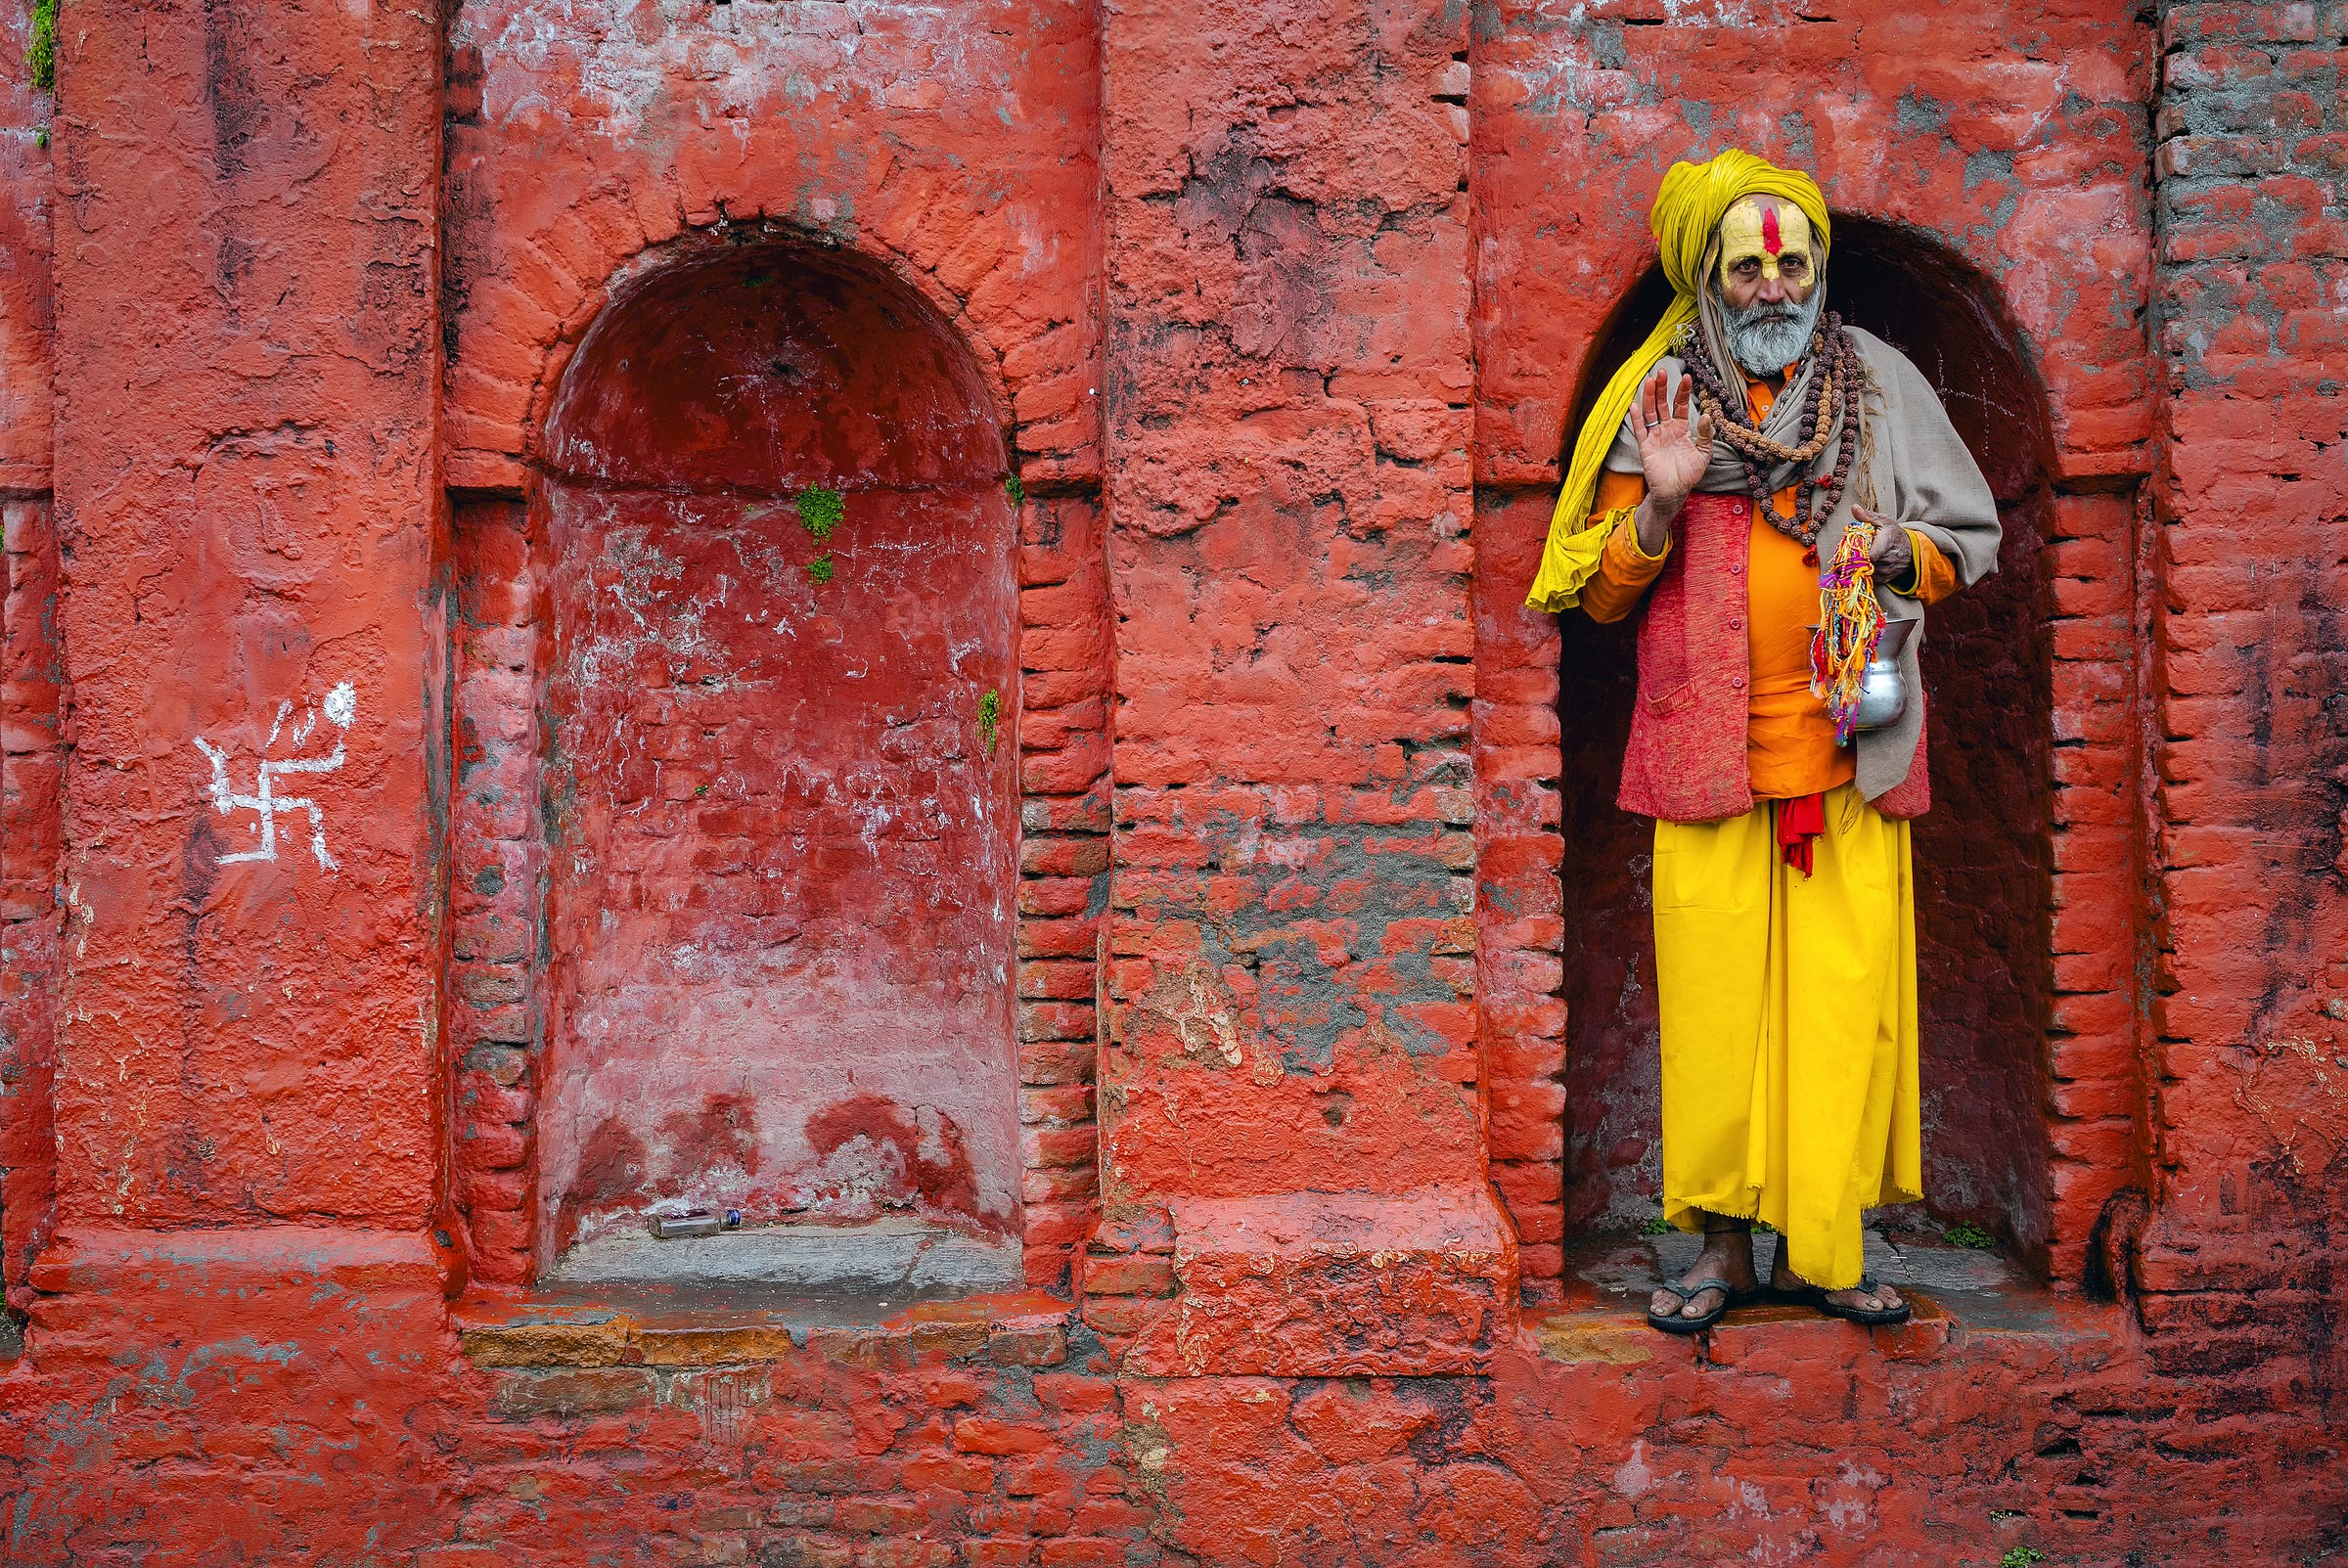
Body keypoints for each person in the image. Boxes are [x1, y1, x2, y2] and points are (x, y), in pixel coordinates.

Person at [1525, 150, 2002, 1333]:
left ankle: (1830, 1248)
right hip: (1707, 764)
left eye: (1794, 263)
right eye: (1750, 266)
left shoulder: (1878, 386)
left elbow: (1970, 533)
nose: (1776, 285)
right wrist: (1665, 499)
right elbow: (1597, 594)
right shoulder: (1663, 403)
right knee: (1716, 1021)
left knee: (1839, 1013)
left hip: (1852, 755)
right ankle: (1719, 1251)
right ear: (1709, 280)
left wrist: (1903, 554)